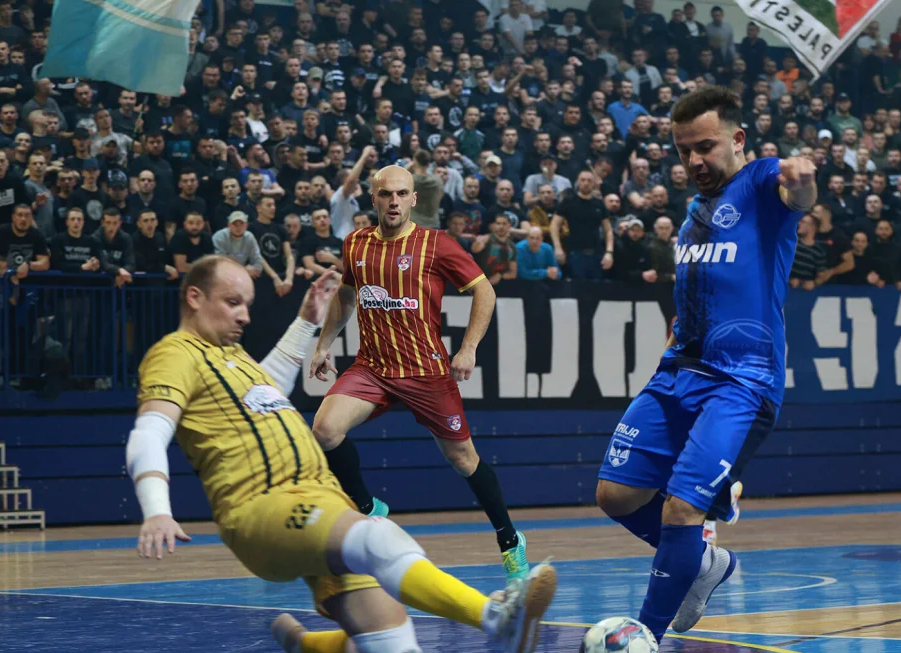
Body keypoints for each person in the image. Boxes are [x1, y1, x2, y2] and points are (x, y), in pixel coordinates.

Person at [129, 257, 556, 653]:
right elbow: (149, 432)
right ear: (194, 297)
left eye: (247, 304)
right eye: (233, 302)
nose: (244, 315)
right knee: (377, 536)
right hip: (263, 506)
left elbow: (267, 387)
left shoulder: (232, 356)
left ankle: (305, 644)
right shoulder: (175, 353)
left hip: (319, 497)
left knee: (390, 634)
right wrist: (156, 510)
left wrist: (306, 322)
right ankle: (498, 618)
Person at [594, 86, 817, 643]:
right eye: (683, 150)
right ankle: (704, 565)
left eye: (706, 147)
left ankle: (645, 634)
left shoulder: (764, 183)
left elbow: (798, 196)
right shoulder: (696, 208)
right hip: (677, 372)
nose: (694, 160)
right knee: (614, 495)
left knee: (680, 510)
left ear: (737, 140)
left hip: (741, 383)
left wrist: (803, 177)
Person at [309, 166, 530, 583]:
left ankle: (509, 539)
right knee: (323, 429)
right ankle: (368, 507)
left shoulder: (435, 244)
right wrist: (323, 345)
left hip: (426, 372)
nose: (393, 201)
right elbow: (346, 294)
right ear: (372, 199)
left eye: (402, 194)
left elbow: (485, 289)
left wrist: (468, 349)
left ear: (414, 199)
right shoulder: (355, 244)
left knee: (463, 459)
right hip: (372, 368)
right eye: (386, 194)